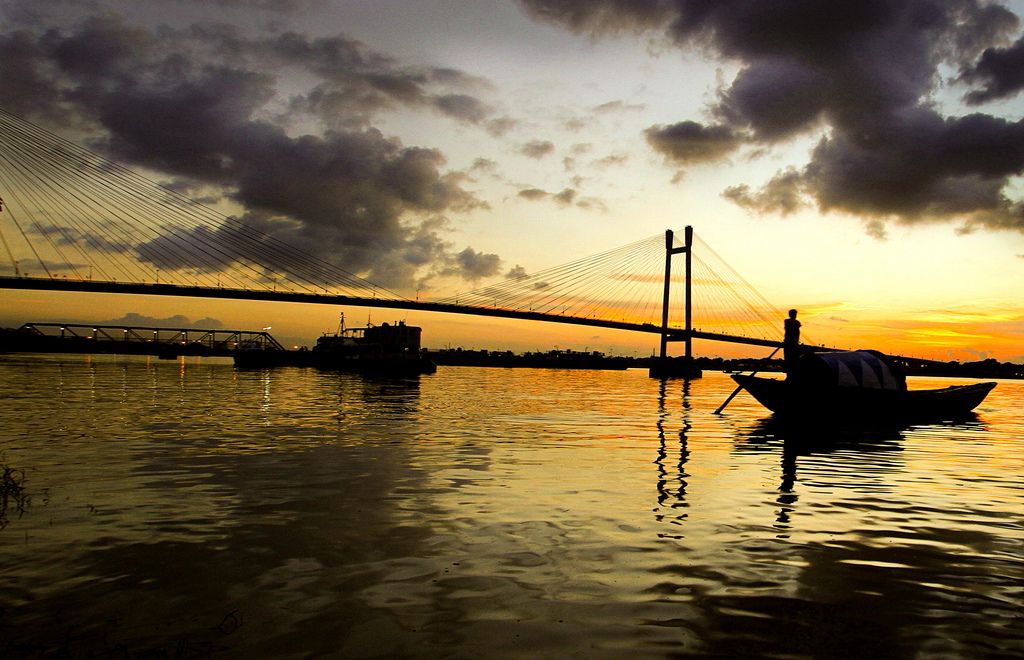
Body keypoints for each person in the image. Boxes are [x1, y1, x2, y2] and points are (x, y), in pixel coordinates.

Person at [783, 308, 801, 377]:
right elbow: (789, 329)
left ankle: (792, 376)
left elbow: (796, 332)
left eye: (795, 314)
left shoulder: (796, 322)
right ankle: (789, 376)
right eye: (794, 314)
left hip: (794, 343)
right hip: (789, 343)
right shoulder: (788, 321)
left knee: (794, 360)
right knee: (788, 360)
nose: (795, 315)